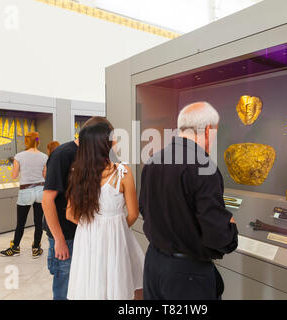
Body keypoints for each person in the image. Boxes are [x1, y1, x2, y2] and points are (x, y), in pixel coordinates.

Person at [139, 101, 238, 300]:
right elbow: (217, 234)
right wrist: (230, 227)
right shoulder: (204, 167)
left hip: (153, 264)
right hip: (187, 274)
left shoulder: (153, 160)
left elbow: (145, 208)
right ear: (209, 130)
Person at [65, 123, 143, 300]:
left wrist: (92, 227)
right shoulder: (123, 172)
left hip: (87, 239)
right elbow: (133, 213)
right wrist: (114, 227)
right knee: (122, 284)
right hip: (115, 238)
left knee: (91, 286)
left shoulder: (77, 173)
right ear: (108, 143)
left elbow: (70, 214)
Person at [41, 117, 114, 300]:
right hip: (66, 235)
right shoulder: (62, 155)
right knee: (64, 288)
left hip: (85, 233)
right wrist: (59, 240)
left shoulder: (92, 155)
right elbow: (47, 200)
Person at [0, 132, 48, 258]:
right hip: (40, 191)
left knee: (20, 222)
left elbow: (14, 175)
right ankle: (36, 248)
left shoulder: (19, 156)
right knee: (38, 222)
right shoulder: (44, 156)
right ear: (38, 141)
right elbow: (45, 176)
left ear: (26, 142)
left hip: (25, 191)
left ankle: (15, 247)